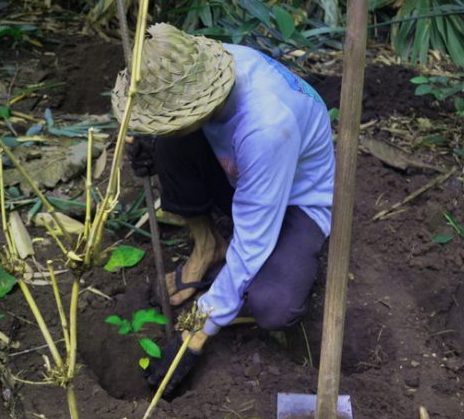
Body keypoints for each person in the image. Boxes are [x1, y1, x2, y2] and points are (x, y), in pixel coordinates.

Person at [111, 23, 335, 393]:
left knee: (272, 305)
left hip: (296, 197)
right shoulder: (194, 69)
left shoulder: (266, 127)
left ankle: (235, 288)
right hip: (238, 170)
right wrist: (150, 143)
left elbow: (251, 244)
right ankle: (208, 248)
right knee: (167, 143)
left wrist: (193, 335)